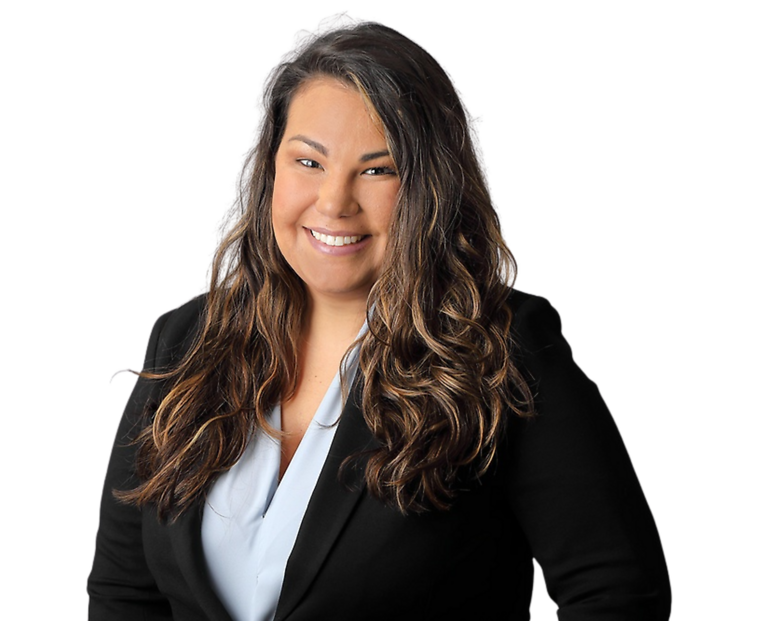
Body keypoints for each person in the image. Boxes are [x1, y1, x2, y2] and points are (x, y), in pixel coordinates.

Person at [87, 15, 671, 621]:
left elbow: (616, 595)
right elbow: (124, 598)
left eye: (377, 169)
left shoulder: (502, 352)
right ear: (270, 174)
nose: (335, 201)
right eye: (308, 163)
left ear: (428, 188)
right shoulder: (186, 341)